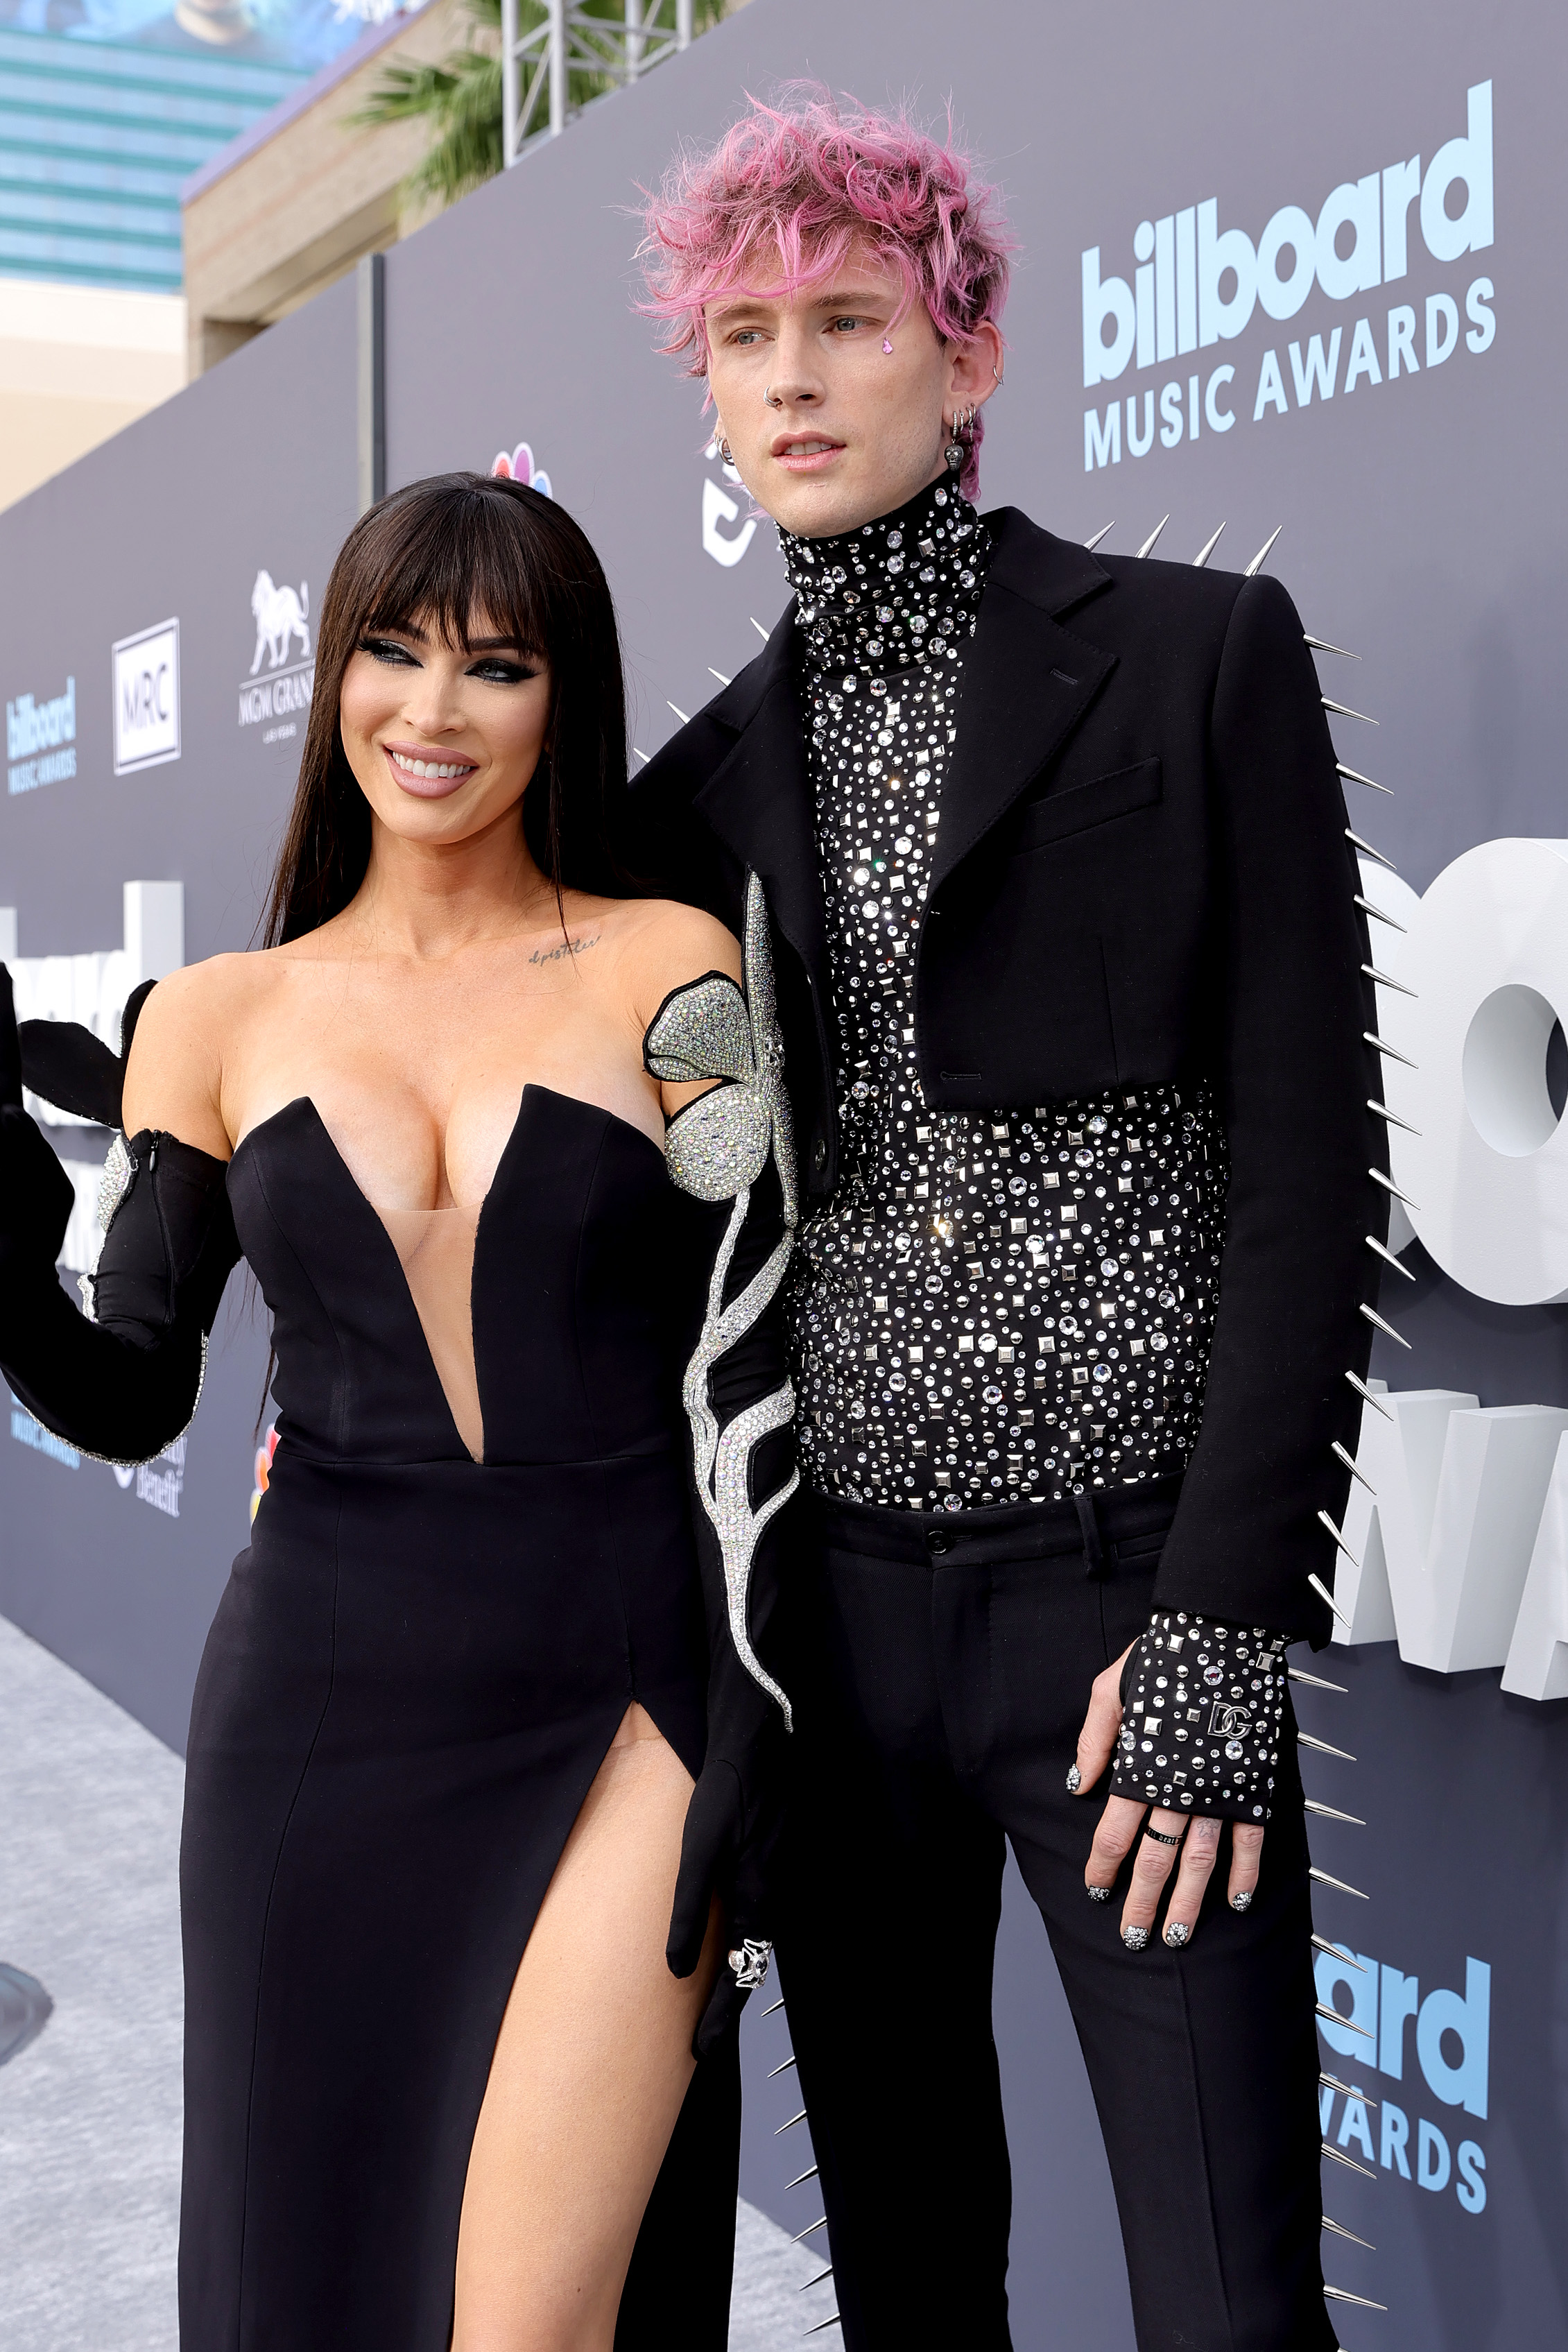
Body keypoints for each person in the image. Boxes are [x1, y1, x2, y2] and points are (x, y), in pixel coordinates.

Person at [628, 92, 1388, 2350]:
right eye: (745, 333)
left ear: (966, 359)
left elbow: (1316, 1170)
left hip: (1123, 1612)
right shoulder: (686, 800)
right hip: (836, 1639)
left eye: (847, 319)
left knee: (1235, 2304)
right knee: (911, 2292)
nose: (791, 375)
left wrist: (1224, 1628)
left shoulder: (1194, 656)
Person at [0, 472, 798, 2351]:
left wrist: (777, 1698)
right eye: (389, 650)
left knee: (533, 2324)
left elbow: (775, 1321)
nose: (431, 714)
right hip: (320, 1709)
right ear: (335, 675)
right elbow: (129, 1389)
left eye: (494, 666)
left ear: (561, 696)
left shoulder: (671, 967)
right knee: (310, 2291)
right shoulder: (212, 1014)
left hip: (634, 1695)